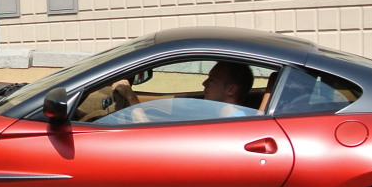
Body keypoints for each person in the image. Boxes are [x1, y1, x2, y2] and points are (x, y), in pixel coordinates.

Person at [98, 61, 259, 124]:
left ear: (231, 89)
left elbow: (153, 141)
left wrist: (131, 97)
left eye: (213, 79)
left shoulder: (234, 125)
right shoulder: (219, 118)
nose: (204, 83)